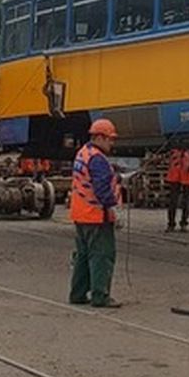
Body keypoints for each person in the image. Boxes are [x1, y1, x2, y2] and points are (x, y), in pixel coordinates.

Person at [69, 118, 122, 308]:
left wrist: (116, 178)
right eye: (109, 139)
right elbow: (101, 188)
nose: (112, 143)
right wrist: (113, 209)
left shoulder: (83, 153)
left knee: (83, 256)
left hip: (81, 215)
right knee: (102, 255)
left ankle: (77, 293)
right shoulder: (98, 159)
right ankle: (100, 296)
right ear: (99, 137)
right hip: (96, 216)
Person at [165, 147, 189, 231]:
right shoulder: (174, 148)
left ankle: (183, 223)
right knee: (173, 201)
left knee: (186, 201)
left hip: (187, 175)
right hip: (176, 174)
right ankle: (171, 223)